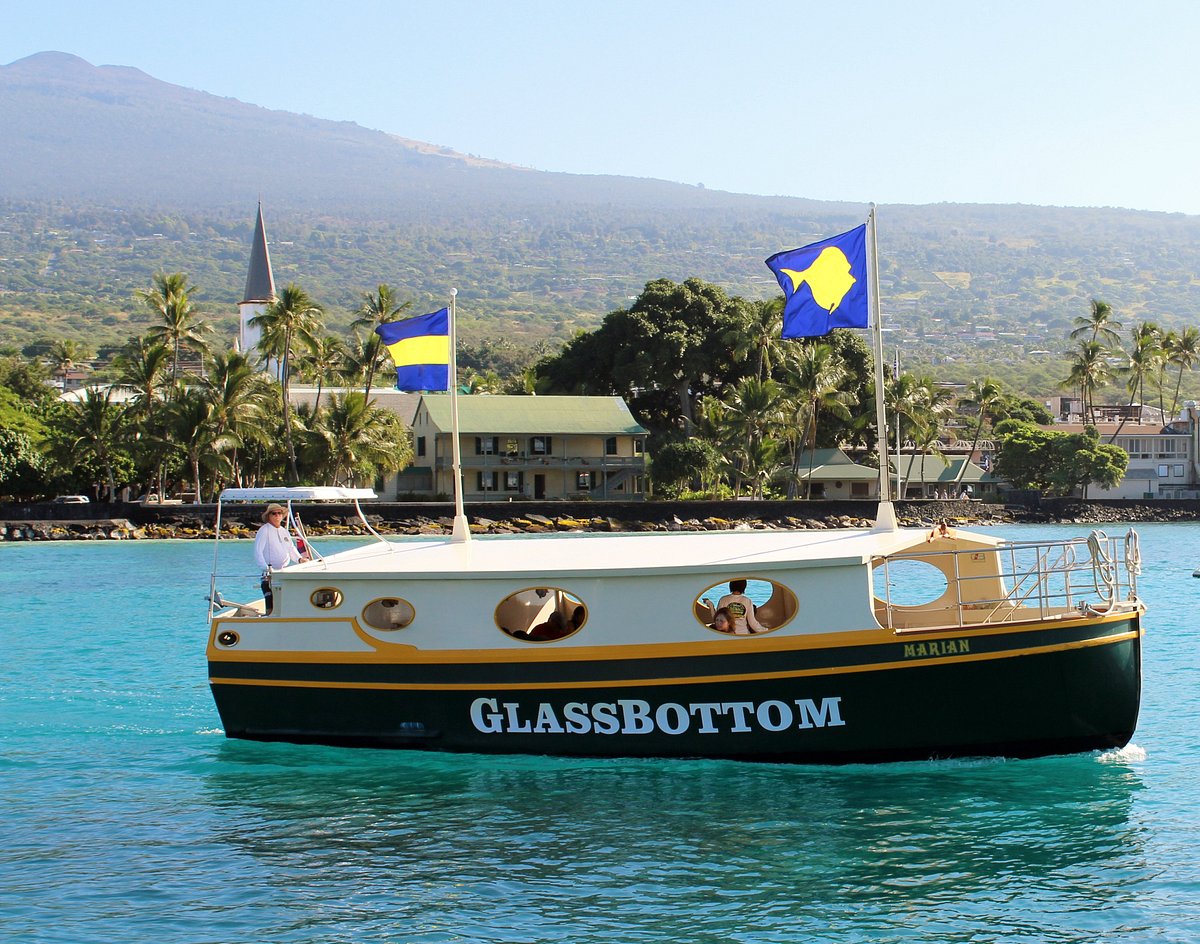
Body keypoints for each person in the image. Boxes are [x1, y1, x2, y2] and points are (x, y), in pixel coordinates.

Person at [254, 503, 309, 613]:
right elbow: (257, 552)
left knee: (286, 603)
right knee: (271, 606)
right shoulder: (264, 530)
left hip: (284, 573)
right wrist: (267, 569)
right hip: (270, 575)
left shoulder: (284, 531)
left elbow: (291, 548)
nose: (277, 515)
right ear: (269, 516)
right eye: (274, 513)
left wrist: (299, 559)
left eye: (279, 513)